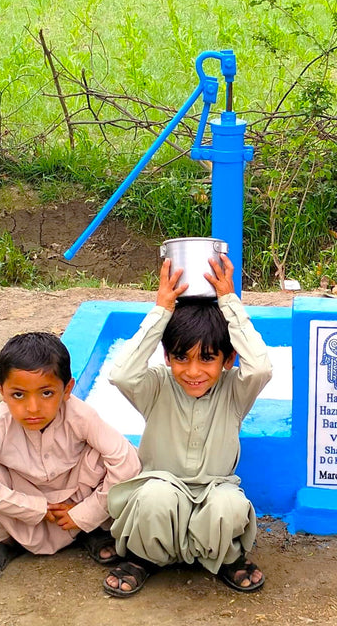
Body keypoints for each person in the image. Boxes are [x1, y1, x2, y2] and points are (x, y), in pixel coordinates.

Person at [103, 254, 273, 597]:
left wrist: (229, 302)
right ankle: (142, 559)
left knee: (230, 505)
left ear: (227, 360)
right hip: (162, 491)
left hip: (214, 491)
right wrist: (161, 311)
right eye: (181, 357)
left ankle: (228, 558)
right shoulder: (156, 386)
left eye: (207, 358)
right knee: (155, 496)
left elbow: (261, 368)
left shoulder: (235, 391)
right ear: (167, 357)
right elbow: (120, 373)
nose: (193, 371)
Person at [0, 332, 141, 581]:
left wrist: (86, 512)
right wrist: (34, 508)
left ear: (67, 390)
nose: (32, 408)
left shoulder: (81, 416)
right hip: (21, 499)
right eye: (18, 395)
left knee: (106, 456)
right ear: (1, 390)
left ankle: (90, 529)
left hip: (75, 496)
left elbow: (127, 462)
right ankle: (4, 541)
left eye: (46, 393)